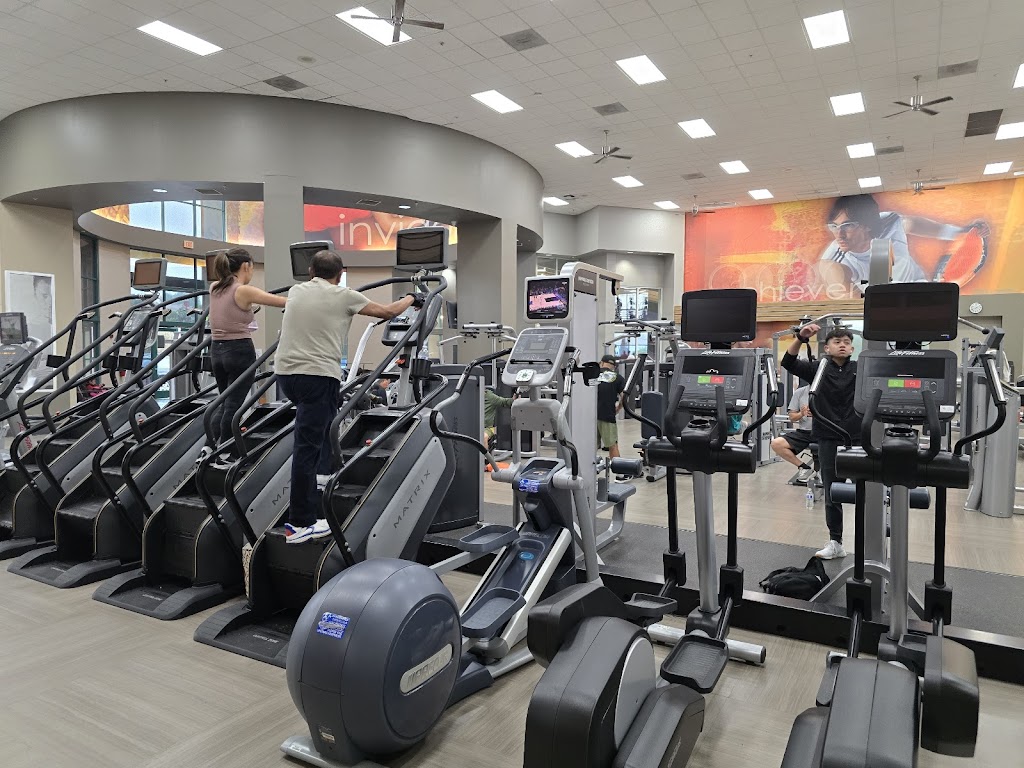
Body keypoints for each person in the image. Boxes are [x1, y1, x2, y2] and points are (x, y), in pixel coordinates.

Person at [275, 250, 419, 544]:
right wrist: (412, 298)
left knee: (325, 427)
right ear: (340, 275)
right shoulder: (344, 296)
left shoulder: (297, 291)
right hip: (317, 376)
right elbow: (389, 312)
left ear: (311, 271)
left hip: (286, 376)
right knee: (306, 447)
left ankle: (324, 480)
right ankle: (299, 523)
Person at [781, 325, 860, 560]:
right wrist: (800, 338)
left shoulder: (860, 368)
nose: (842, 345)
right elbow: (788, 362)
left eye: (847, 342)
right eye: (837, 341)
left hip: (857, 438)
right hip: (827, 437)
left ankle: (870, 543)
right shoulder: (818, 368)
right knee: (832, 491)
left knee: (867, 491)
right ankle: (836, 542)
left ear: (852, 348)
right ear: (827, 348)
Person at [205, 248, 287, 465]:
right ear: (245, 266)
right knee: (234, 405)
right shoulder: (243, 290)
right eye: (252, 267)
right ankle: (224, 454)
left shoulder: (214, 287)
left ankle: (208, 447)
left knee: (224, 401)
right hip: (239, 350)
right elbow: (280, 301)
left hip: (216, 351)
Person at [817, 194, 990, 291]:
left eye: (848, 226)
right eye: (833, 226)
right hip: (887, 311)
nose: (839, 234)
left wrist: (961, 232)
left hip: (920, 292)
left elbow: (914, 223)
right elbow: (852, 300)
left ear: (867, 225)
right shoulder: (833, 262)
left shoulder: (889, 222)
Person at [770, 385, 815, 482]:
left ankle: (823, 471)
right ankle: (804, 467)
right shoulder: (800, 392)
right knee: (776, 444)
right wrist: (801, 413)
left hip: (825, 431)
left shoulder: (831, 390)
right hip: (805, 432)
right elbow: (792, 417)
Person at [597, 354, 627, 468]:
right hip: (607, 414)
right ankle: (619, 471)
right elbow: (624, 397)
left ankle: (585, 471)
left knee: (589, 446)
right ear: (614, 366)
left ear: (601, 363)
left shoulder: (593, 375)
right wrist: (618, 408)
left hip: (590, 414)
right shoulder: (618, 378)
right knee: (612, 445)